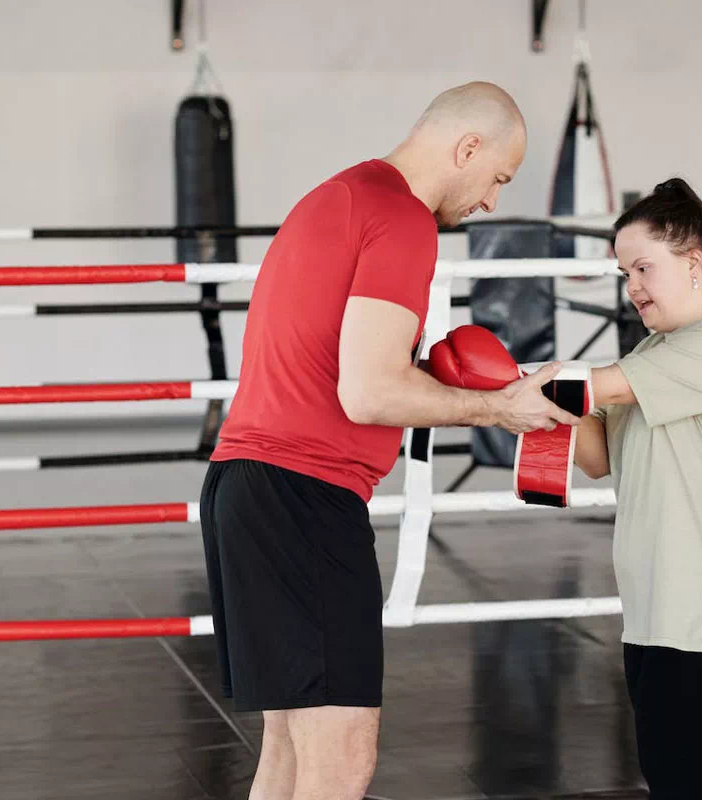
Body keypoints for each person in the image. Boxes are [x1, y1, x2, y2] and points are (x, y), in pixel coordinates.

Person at [199, 81, 581, 800]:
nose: (492, 201)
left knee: (289, 752)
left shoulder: (337, 196)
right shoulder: (402, 218)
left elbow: (346, 367)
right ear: (467, 148)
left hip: (246, 486)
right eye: (497, 177)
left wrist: (424, 372)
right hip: (300, 497)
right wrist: (499, 409)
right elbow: (368, 392)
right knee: (341, 761)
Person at [575, 178, 702, 799]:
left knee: (681, 785)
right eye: (624, 272)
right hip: (658, 612)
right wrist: (546, 403)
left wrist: (509, 384)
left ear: (693, 261)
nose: (631, 286)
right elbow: (594, 459)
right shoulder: (654, 350)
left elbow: (592, 387)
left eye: (642, 267)